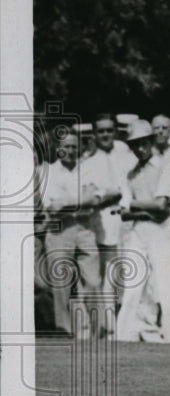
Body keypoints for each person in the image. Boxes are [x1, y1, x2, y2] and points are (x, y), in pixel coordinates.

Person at [118, 121, 170, 343]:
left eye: (143, 144)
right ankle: (133, 331)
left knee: (166, 280)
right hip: (138, 231)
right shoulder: (131, 173)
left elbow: (162, 206)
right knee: (134, 283)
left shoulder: (165, 165)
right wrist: (144, 208)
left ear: (151, 142)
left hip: (160, 231)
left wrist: (134, 205)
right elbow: (125, 212)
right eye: (134, 145)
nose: (139, 149)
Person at [38, 132, 105, 338]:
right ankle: (64, 329)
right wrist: (82, 199)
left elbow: (95, 200)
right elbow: (53, 208)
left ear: (80, 148)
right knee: (61, 283)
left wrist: (67, 201)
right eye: (65, 146)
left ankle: (98, 330)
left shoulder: (88, 169)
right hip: (60, 229)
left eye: (74, 146)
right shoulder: (47, 171)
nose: (70, 151)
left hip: (84, 228)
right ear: (57, 148)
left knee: (93, 280)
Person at [88, 113, 135, 325]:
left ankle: (130, 322)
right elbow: (93, 196)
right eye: (101, 131)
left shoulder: (128, 156)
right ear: (95, 134)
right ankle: (110, 325)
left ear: (115, 131)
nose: (106, 134)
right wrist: (111, 193)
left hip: (130, 221)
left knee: (130, 271)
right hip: (105, 223)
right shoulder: (89, 163)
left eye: (109, 130)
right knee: (109, 274)